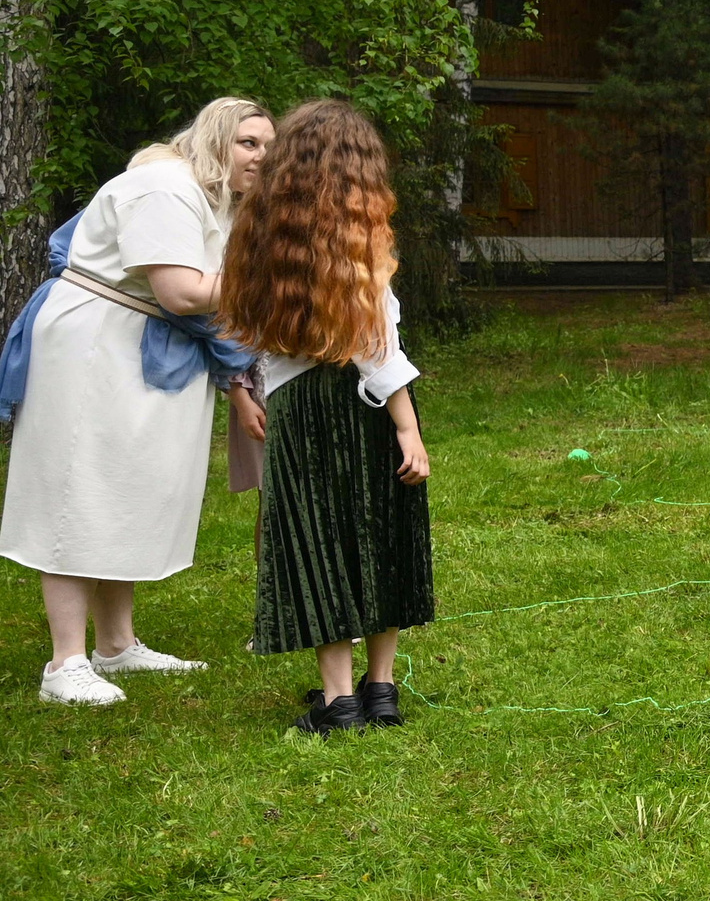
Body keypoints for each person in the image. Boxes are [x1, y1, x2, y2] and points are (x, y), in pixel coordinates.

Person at [0, 96, 272, 705]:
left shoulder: (212, 199)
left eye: (268, 147)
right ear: (216, 140)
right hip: (96, 345)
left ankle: (116, 645)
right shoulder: (164, 188)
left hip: (138, 341)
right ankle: (64, 662)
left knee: (125, 485)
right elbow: (180, 292)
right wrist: (278, 279)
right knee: (80, 485)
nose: (262, 156)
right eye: (248, 143)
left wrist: (234, 375)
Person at [220, 102, 432, 735]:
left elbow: (254, 334)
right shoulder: (358, 240)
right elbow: (378, 345)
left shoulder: (257, 235)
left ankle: (339, 700)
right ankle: (382, 689)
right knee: (382, 532)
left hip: (296, 409)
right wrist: (406, 425)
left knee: (317, 539)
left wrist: (250, 387)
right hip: (367, 406)